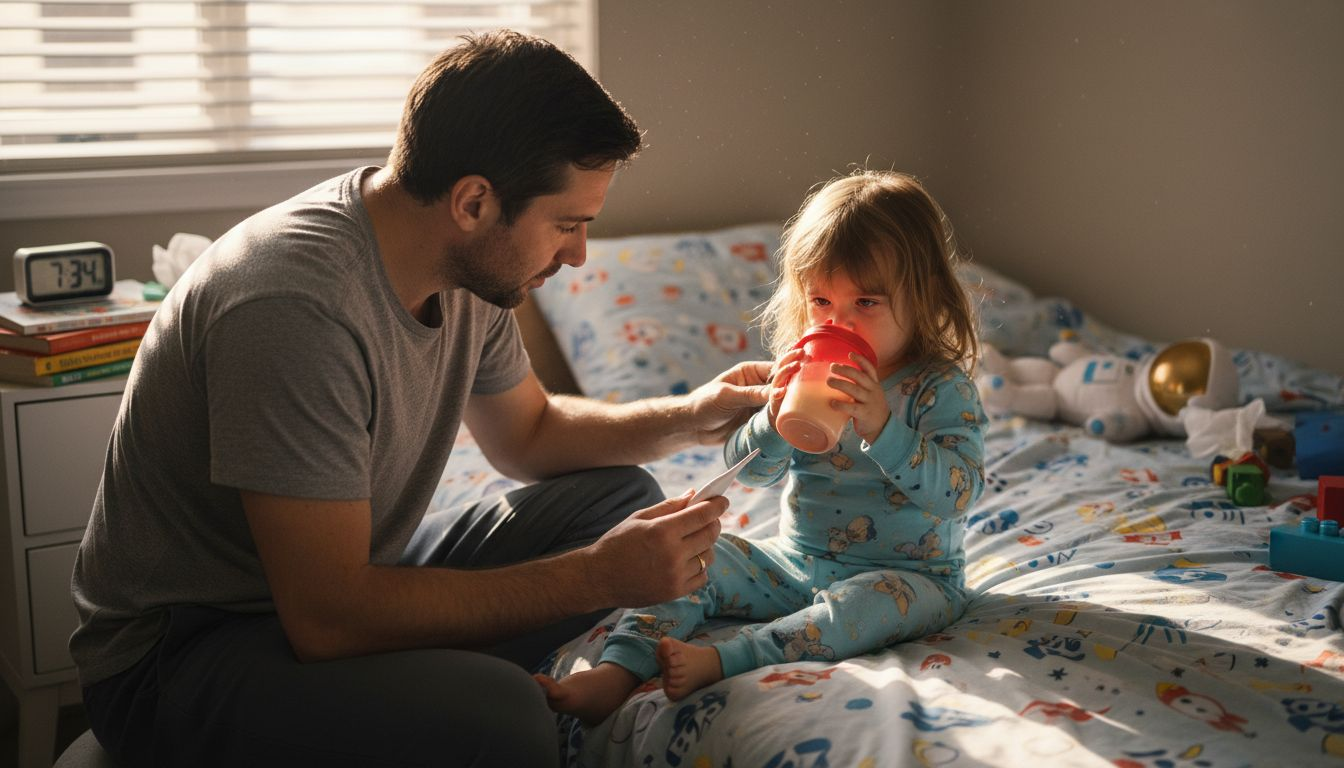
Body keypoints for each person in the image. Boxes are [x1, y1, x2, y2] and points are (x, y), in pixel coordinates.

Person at [69, 30, 770, 767]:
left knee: (617, 499)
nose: (576, 255)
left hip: (334, 588)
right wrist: (596, 575)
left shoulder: (465, 271)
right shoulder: (293, 305)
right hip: (185, 651)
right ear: (473, 202)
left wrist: (693, 415)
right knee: (503, 719)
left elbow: (529, 434)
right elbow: (328, 619)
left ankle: (427, 689)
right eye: (567, 225)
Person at [536, 169, 987, 725]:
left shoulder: (940, 388)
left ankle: (727, 658)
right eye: (821, 300)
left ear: (923, 298)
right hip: (796, 561)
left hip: (912, 577)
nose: (837, 321)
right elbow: (750, 475)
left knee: (866, 605)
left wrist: (881, 428)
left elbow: (957, 494)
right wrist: (773, 420)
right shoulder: (802, 376)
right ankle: (617, 670)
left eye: (866, 302)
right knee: (696, 560)